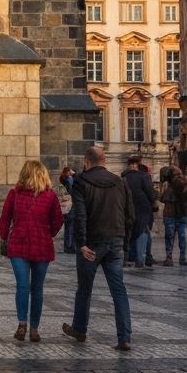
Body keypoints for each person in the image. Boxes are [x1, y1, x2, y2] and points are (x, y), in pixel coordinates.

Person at [63, 144, 135, 351]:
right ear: (104, 161)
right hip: (116, 240)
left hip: (92, 243)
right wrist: (125, 244)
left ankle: (80, 329)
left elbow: (80, 215)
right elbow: (130, 216)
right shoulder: (120, 182)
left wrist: (81, 243)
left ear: (86, 162)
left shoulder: (81, 181)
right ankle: (124, 337)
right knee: (119, 290)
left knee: (84, 289)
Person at [0, 160, 64, 341]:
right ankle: (29, 327)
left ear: (25, 173)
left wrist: (4, 236)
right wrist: (47, 233)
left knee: (29, 287)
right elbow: (57, 220)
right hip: (33, 245)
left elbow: (5, 218)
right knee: (31, 287)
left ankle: (28, 326)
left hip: (26, 243)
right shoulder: (23, 194)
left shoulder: (43, 195)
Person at [122, 155, 157, 268]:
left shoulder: (123, 177)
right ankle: (141, 259)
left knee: (130, 232)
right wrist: (154, 200)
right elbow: (150, 192)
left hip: (127, 208)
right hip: (142, 208)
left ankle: (130, 257)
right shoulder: (143, 176)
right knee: (143, 231)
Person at [159, 164, 187, 266]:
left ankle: (171, 257)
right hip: (177, 214)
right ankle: (180, 258)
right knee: (180, 236)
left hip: (174, 214)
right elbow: (162, 198)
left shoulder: (177, 183)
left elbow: (162, 198)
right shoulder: (183, 181)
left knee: (171, 236)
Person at [59, 166, 76, 253]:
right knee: (71, 227)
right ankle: (70, 247)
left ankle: (68, 246)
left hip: (67, 208)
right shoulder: (69, 179)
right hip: (71, 207)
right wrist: (74, 174)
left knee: (69, 227)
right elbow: (73, 191)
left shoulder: (64, 179)